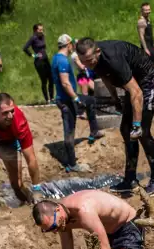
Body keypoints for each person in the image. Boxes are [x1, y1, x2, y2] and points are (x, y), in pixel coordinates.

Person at [76, 37, 154, 196]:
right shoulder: (94, 61)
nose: (87, 64)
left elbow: (136, 92)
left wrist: (137, 124)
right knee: (125, 129)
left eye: (90, 60)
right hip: (133, 82)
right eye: (83, 62)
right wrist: (114, 99)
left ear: (97, 52)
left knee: (142, 132)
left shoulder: (113, 59)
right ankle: (130, 179)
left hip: (147, 79)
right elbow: (105, 77)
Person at [52, 34, 104, 173]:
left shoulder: (56, 58)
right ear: (68, 45)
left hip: (67, 98)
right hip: (66, 100)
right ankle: (72, 163)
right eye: (72, 45)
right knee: (69, 131)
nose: (73, 48)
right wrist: (75, 99)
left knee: (90, 101)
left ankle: (94, 131)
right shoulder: (62, 61)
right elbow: (64, 82)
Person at [23, 23, 54, 103]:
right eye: (39, 30)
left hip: (46, 59)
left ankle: (52, 98)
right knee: (44, 81)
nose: (41, 31)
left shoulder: (42, 36)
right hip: (39, 62)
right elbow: (25, 48)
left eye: (42, 29)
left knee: (51, 78)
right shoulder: (33, 38)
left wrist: (42, 34)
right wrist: (33, 55)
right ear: (35, 30)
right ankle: (47, 100)